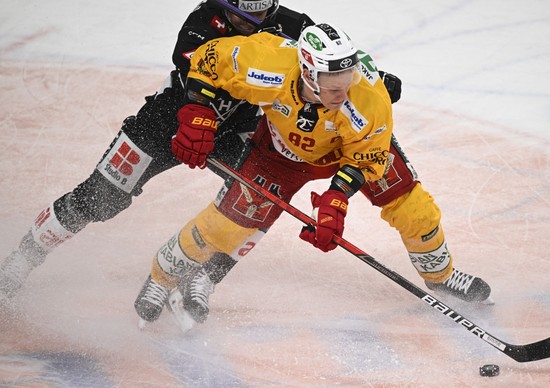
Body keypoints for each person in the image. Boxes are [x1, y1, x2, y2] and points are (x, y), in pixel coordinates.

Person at [134, 22, 492, 327]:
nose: (344, 93)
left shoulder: (368, 97)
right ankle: (160, 277)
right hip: (280, 153)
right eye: (334, 87)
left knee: (414, 208)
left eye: (348, 81)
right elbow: (207, 60)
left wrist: (337, 197)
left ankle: (441, 277)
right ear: (307, 72)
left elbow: (368, 159)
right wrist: (198, 111)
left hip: (350, 151)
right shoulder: (266, 62)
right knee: (227, 224)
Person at [0, 0, 317, 299]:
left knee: (258, 197)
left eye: (262, 16)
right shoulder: (202, 21)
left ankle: (204, 277)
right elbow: (199, 74)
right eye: (241, 19)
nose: (253, 25)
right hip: (169, 120)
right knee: (100, 197)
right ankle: (25, 256)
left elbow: (326, 76)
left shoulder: (296, 27)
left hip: (236, 126)